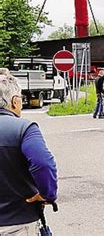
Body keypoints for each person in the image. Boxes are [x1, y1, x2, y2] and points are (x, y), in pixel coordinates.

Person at [0, 74, 57, 234]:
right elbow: (43, 163)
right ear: (14, 101)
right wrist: (47, 194)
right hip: (17, 221)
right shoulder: (24, 128)